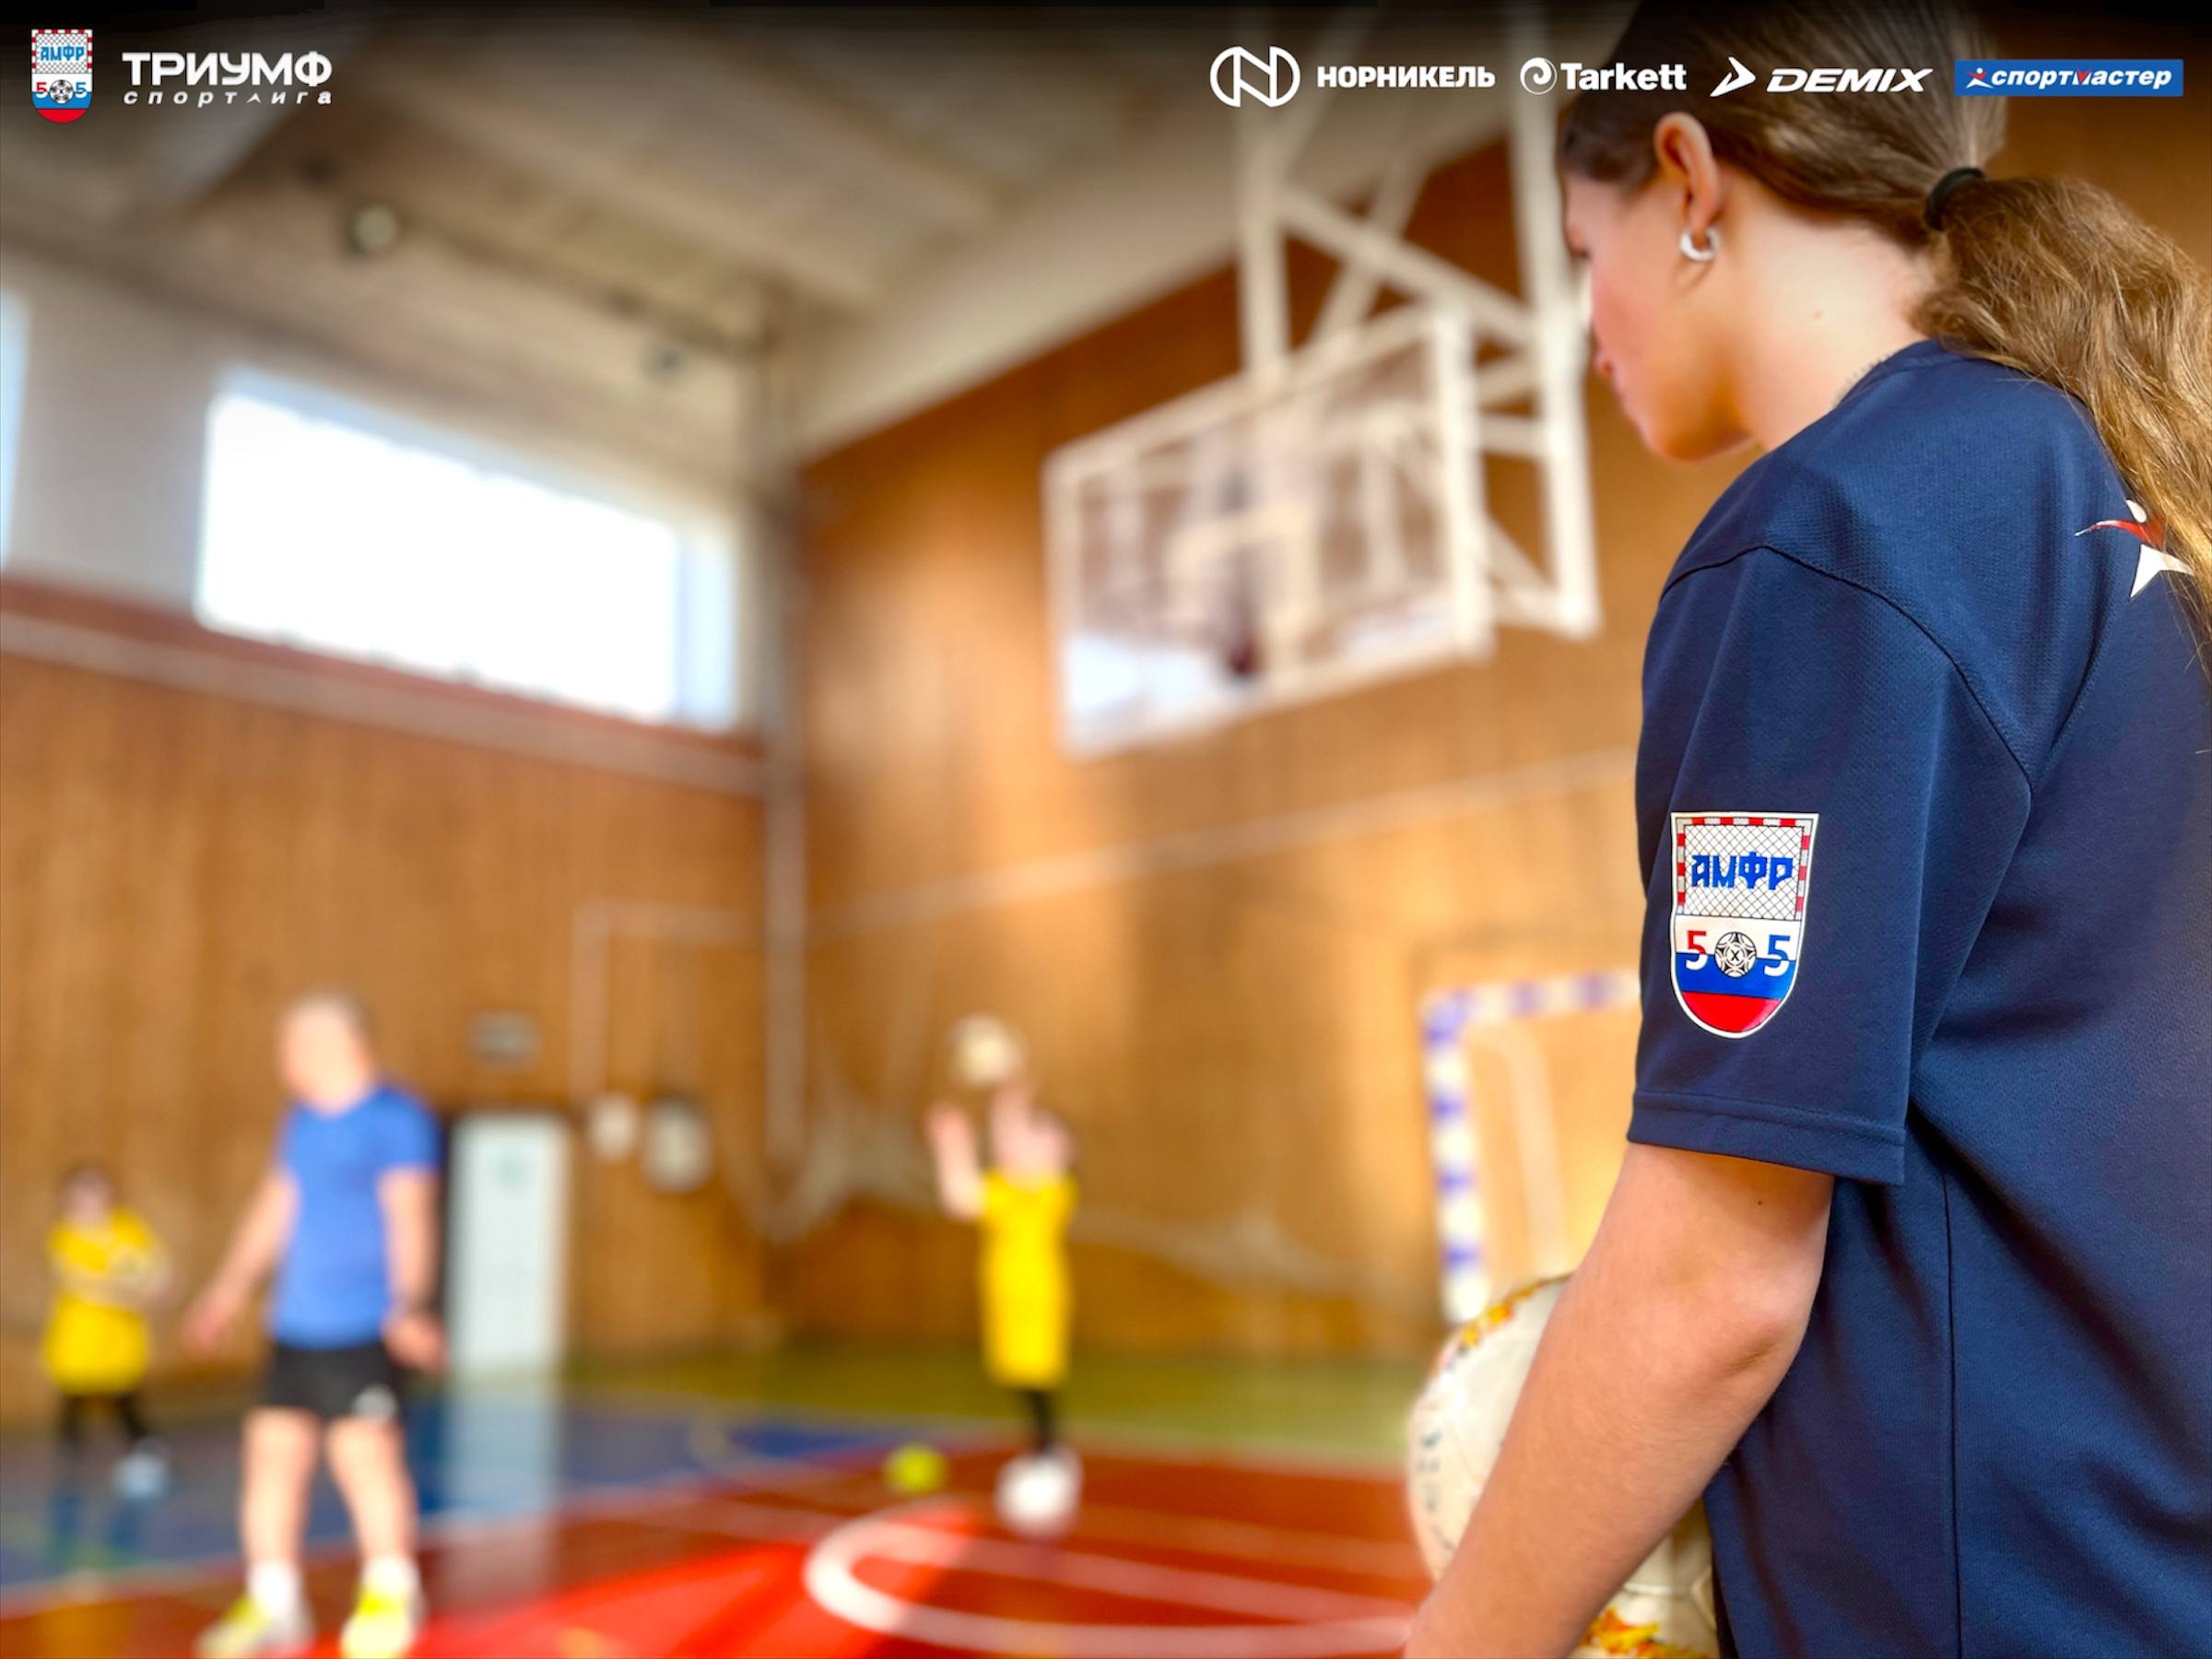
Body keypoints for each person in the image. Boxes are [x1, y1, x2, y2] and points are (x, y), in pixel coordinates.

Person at [1407, 3, 2211, 1655]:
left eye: (1585, 250)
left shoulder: (1829, 537)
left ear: (1689, 178)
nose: (1589, 323)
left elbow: (1715, 1278)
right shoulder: (2126, 485)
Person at [185, 993, 445, 1659]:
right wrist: (229, 1288)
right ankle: (274, 1602)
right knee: (272, 1457)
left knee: (365, 1457)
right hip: (295, 1326)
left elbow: (411, 1215)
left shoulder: (397, 1119)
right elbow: (277, 1204)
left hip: (363, 1326)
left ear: (341, 1044)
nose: (284, 1058)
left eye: (293, 1044)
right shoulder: (300, 1120)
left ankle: (390, 1594)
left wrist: (410, 1304)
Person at [926, 1077, 1078, 1475]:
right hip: (1004, 1300)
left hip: (1037, 1300)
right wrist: (953, 1146)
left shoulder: (1053, 1190)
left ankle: (1051, 1452)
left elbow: (1015, 1151)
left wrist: (1009, 1103)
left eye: (1040, 1135)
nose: (1025, 1140)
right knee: (1018, 1378)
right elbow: (960, 1198)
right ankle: (1044, 1448)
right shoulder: (1007, 1190)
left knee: (1038, 1377)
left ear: (1063, 1154)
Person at [43, 1163, 171, 1497]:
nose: (90, 1199)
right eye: (82, 1192)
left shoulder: (128, 1230)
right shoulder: (65, 1236)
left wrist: (153, 1287)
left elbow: (157, 1270)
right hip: (81, 1334)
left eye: (95, 1190)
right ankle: (69, 1457)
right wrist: (128, 1295)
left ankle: (145, 1447)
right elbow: (77, 1282)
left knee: (123, 1394)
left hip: (119, 1335)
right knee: (74, 1394)